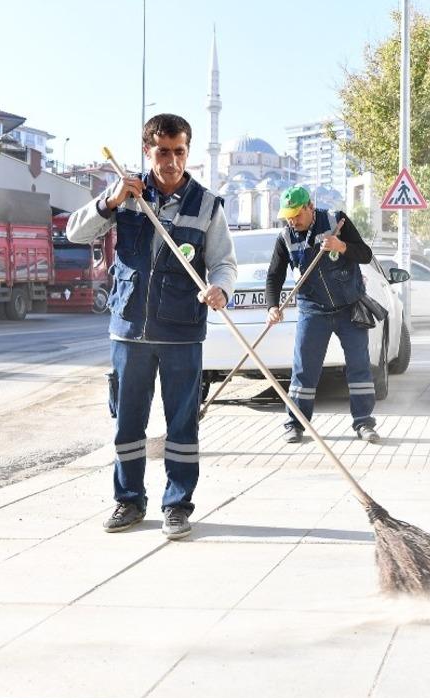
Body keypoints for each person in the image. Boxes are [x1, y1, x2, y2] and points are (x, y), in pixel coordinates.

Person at [65, 113, 236, 540]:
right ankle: (129, 500)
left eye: (179, 152)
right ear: (148, 150)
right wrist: (110, 200)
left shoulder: (207, 204)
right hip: (128, 330)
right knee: (128, 422)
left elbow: (224, 263)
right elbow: (74, 233)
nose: (172, 161)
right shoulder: (126, 193)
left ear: (188, 152)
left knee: (182, 425)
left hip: (182, 332)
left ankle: (177, 505)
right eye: (163, 151)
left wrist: (220, 289)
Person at [264, 186, 380, 444]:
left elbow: (365, 254)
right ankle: (295, 424)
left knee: (359, 366)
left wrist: (342, 245)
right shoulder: (285, 237)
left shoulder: (336, 220)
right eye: (288, 215)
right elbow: (274, 275)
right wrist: (272, 306)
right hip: (312, 310)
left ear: (310, 207)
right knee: (304, 370)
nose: (292, 220)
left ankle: (364, 423)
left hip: (349, 306)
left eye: (296, 214)